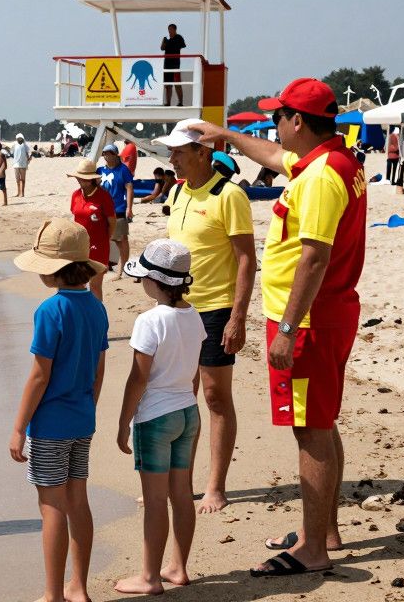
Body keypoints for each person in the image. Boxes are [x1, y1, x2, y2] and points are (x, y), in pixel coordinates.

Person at [190, 77, 366, 578]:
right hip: (328, 311)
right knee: (321, 420)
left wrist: (287, 328)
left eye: (279, 115)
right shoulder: (333, 160)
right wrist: (223, 134)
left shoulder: (321, 178)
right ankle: (324, 529)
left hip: (308, 318)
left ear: (299, 122)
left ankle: (313, 549)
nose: (273, 121)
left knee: (309, 427)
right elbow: (271, 156)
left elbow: (313, 257)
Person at [154, 119, 256, 514]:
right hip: (177, 309)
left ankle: (215, 487)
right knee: (180, 397)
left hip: (215, 309)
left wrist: (238, 317)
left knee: (214, 397)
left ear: (203, 152)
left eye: (179, 152)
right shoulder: (178, 193)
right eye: (171, 152)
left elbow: (247, 259)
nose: (172, 159)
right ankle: (182, 483)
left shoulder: (229, 196)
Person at [9, 218, 109, 602]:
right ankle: (79, 588)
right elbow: (99, 370)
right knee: (78, 501)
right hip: (82, 419)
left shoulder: (51, 311)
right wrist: (89, 407)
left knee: (51, 507)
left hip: (50, 425)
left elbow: (39, 376)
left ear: (53, 271)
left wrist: (19, 427)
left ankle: (53, 594)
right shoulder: (96, 309)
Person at [114, 239, 205, 594]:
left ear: (155, 281)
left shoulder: (149, 321)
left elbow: (139, 377)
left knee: (154, 501)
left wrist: (124, 423)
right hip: (187, 412)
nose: (141, 284)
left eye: (143, 279)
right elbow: (194, 371)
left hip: (155, 418)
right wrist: (187, 400)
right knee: (181, 494)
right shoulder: (193, 314)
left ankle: (150, 577)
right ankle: (178, 568)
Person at [68, 159, 117, 300]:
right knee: (78, 284)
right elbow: (76, 219)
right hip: (79, 246)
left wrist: (105, 240)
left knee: (95, 285)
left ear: (92, 179)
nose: (80, 181)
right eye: (79, 178)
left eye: (84, 179)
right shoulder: (75, 195)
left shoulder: (103, 196)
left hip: (99, 246)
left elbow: (112, 222)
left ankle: (97, 316)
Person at [98, 143, 136, 278]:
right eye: (105, 153)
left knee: (121, 239)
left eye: (110, 153)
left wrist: (129, 208)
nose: (107, 156)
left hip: (118, 209)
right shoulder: (100, 171)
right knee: (103, 239)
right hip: (102, 210)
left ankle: (122, 269)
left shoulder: (123, 170)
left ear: (116, 155)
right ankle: (106, 265)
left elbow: (129, 188)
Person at [160, 24, 187, 106]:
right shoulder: (166, 40)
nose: (169, 31)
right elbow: (162, 48)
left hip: (175, 64)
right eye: (168, 29)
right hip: (167, 64)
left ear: (175, 30)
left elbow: (182, 45)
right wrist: (163, 41)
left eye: (171, 29)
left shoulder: (179, 38)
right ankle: (168, 102)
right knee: (168, 85)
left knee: (177, 83)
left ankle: (180, 102)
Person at [386, 128, 404, 194]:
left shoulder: (389, 136)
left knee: (389, 168)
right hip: (395, 155)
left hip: (390, 155)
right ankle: (392, 181)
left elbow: (386, 146)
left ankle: (388, 180)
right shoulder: (397, 136)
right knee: (394, 170)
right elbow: (398, 147)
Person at [13, 133, 31, 198]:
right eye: (18, 138)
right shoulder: (14, 144)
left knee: (23, 179)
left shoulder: (25, 145)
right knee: (17, 179)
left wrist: (29, 159)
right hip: (15, 164)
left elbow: (29, 153)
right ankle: (18, 192)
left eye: (21, 138)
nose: (19, 139)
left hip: (23, 164)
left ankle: (22, 193)